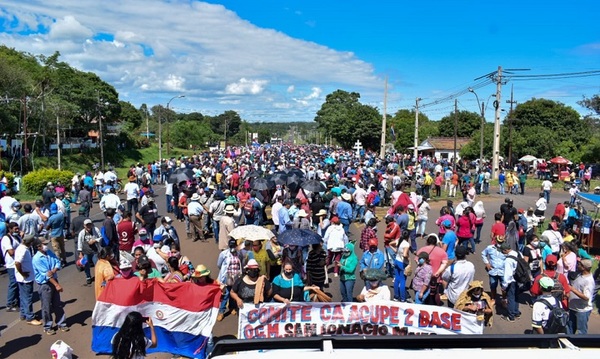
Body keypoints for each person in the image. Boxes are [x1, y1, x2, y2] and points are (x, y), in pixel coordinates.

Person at [32, 238, 69, 334]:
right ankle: (48, 326)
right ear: (38, 247)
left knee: (57, 304)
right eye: (43, 244)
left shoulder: (49, 253)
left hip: (53, 279)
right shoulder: (37, 259)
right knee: (46, 306)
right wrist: (57, 285)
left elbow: (57, 262)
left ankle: (62, 323)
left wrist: (54, 270)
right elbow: (46, 275)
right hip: (45, 285)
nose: (46, 246)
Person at [14, 235, 43, 325]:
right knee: (28, 298)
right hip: (25, 278)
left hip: (24, 277)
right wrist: (23, 273)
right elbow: (17, 263)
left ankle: (24, 314)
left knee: (23, 297)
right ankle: (30, 317)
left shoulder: (22, 248)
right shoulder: (23, 250)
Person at [217, 239, 243, 321]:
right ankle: (221, 312)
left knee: (233, 292)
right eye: (231, 246)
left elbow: (240, 263)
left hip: (236, 276)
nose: (233, 248)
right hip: (227, 276)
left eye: (234, 246)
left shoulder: (239, 253)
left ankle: (232, 307)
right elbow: (219, 264)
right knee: (226, 294)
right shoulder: (224, 254)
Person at [567, 259, 594, 334]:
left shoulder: (589, 281)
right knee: (570, 328)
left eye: (579, 264)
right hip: (574, 307)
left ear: (584, 267)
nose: (577, 265)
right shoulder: (580, 275)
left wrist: (572, 289)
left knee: (581, 331)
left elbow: (586, 297)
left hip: (582, 310)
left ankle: (582, 344)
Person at [2, 222, 22, 312]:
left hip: (18, 263)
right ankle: (9, 304)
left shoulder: (17, 237)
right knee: (13, 283)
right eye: (15, 229)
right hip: (11, 264)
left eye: (18, 229)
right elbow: (11, 252)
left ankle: (16, 301)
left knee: (18, 283)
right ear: (10, 229)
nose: (17, 230)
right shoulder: (6, 239)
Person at [499, 242, 521, 322]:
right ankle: (516, 312)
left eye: (502, 251)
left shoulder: (508, 260)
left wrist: (504, 286)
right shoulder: (517, 253)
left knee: (511, 298)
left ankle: (511, 316)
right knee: (516, 297)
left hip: (511, 281)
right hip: (518, 279)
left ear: (505, 250)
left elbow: (507, 275)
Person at [390, 232, 410, 302]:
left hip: (396, 261)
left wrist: (396, 251)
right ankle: (402, 298)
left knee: (397, 279)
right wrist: (408, 258)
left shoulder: (399, 240)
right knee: (402, 281)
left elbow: (390, 244)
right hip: (402, 263)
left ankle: (396, 296)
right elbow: (404, 255)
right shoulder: (406, 244)